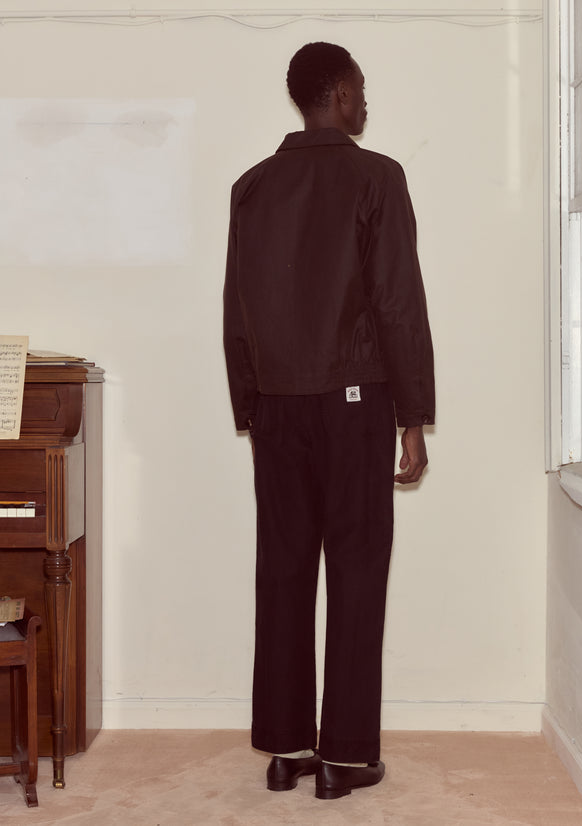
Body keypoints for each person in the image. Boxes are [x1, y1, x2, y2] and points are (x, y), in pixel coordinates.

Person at [223, 41, 434, 800]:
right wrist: (414, 414)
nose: (366, 105)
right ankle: (344, 759)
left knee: (281, 571)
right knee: (355, 568)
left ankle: (286, 751)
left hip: (278, 405)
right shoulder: (377, 178)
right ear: (340, 93)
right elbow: (398, 303)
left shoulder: (252, 187)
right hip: (355, 402)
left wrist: (252, 403)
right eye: (362, 92)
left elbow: (236, 309)